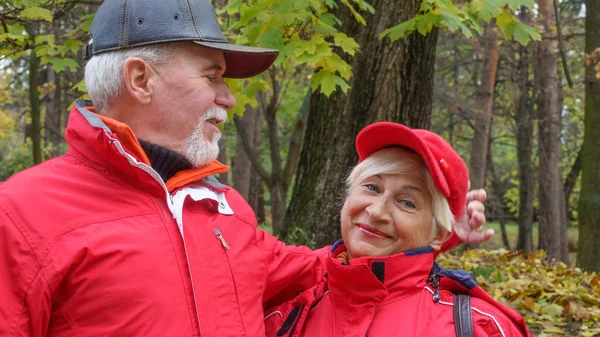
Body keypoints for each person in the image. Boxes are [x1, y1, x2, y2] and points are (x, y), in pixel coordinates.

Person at [0, 1, 490, 336]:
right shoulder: (21, 215)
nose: (228, 98)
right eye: (212, 75)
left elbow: (329, 268)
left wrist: (437, 231)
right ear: (140, 79)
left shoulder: (225, 211)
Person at [264, 122, 532, 337]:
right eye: (372, 187)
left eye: (406, 202)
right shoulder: (290, 312)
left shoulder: (480, 327)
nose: (376, 211)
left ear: (438, 233)